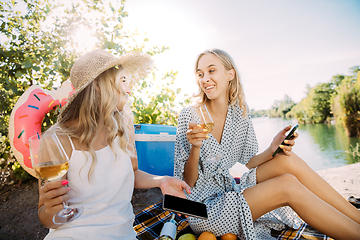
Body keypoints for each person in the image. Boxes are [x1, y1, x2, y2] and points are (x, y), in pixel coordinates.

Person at [174, 49, 360, 240]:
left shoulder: (239, 115)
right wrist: (195, 148)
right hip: (203, 209)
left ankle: (357, 217)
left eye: (211, 71)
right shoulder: (190, 115)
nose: (205, 79)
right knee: (287, 184)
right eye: (200, 74)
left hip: (229, 188)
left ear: (230, 74)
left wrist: (272, 149)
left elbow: (247, 163)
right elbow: (186, 183)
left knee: (285, 160)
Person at [37, 49, 191, 239]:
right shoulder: (56, 139)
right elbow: (47, 218)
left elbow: (132, 174)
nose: (129, 90)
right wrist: (49, 210)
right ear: (99, 85)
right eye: (123, 80)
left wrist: (162, 181)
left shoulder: (124, 126)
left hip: (124, 235)